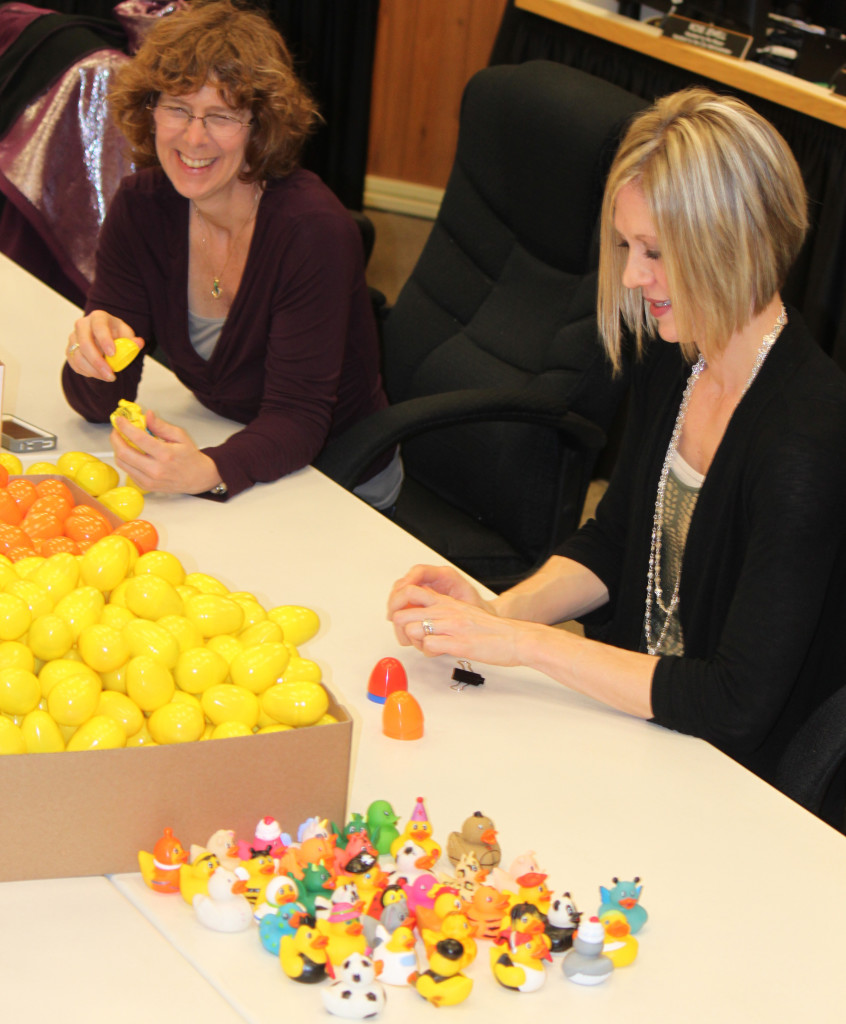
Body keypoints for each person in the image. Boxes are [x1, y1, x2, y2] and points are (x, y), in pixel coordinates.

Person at [387, 88, 846, 784]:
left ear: (734, 245)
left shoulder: (805, 439)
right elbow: (617, 538)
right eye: (628, 246)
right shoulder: (679, 353)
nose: (633, 276)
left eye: (656, 251)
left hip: (735, 773)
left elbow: (733, 705)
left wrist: (525, 644)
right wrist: (497, 612)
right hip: (638, 721)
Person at [62, 0, 399, 507]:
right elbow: (96, 405)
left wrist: (209, 469)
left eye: (221, 115)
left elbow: (300, 420)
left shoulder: (312, 230)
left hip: (334, 479)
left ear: (260, 127)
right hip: (229, 442)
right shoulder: (142, 207)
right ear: (149, 110)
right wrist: (90, 362)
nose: (194, 137)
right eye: (177, 107)